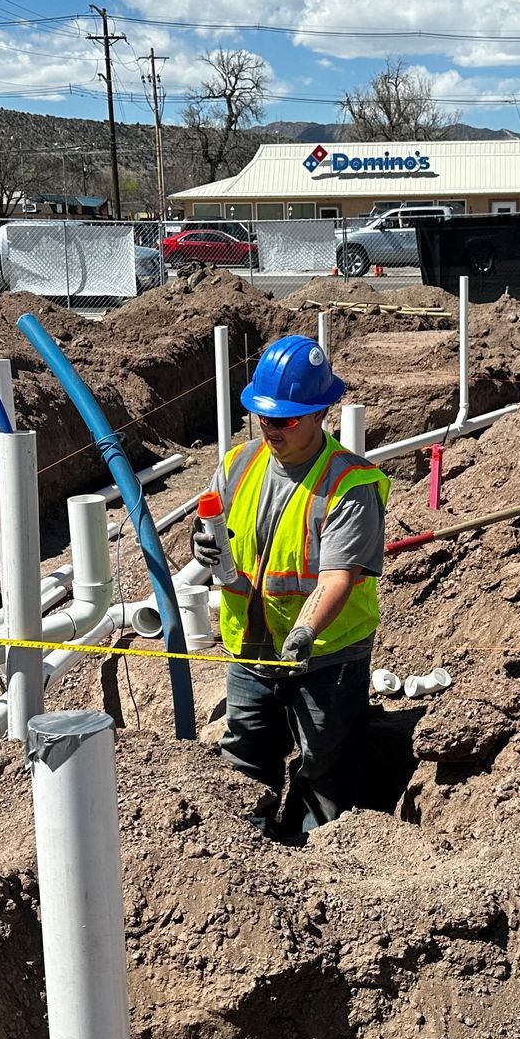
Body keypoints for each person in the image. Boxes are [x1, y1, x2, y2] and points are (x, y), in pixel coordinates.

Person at [194, 335, 390, 839]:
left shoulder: (349, 484)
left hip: (326, 655)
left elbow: (337, 577)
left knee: (323, 766)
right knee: (243, 761)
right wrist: (203, 549)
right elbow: (220, 530)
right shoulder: (239, 464)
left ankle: (317, 859)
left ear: (321, 413)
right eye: (264, 415)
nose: (271, 427)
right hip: (251, 648)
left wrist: (303, 632)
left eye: (285, 418)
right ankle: (246, 855)